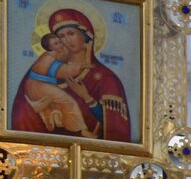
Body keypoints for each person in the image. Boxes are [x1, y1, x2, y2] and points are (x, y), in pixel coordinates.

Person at [8, 9, 132, 143]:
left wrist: (88, 98)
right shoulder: (46, 67)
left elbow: (115, 126)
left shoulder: (106, 78)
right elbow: (21, 115)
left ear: (85, 35)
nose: (66, 40)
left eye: (71, 34)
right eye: (60, 37)